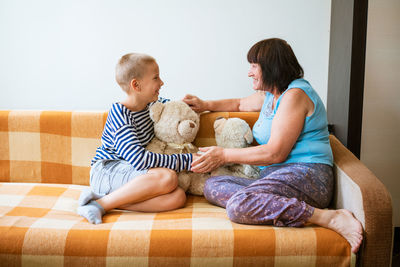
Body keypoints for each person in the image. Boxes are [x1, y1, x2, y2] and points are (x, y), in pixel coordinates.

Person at [182, 38, 363, 253]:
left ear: (271, 67)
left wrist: (223, 155)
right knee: (212, 186)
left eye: (253, 66)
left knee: (239, 206)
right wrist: (204, 104)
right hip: (275, 176)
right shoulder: (270, 95)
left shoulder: (295, 95)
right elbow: (239, 104)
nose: (249, 72)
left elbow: (275, 153)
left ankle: (328, 217)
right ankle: (268, 201)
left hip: (307, 175)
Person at [78, 53, 197, 224]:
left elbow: (174, 110)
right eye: (156, 78)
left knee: (178, 197)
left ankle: (106, 200)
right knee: (168, 177)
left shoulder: (152, 105)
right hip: (106, 171)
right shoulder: (120, 113)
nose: (161, 83)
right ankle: (100, 204)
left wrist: (192, 106)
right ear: (136, 85)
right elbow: (139, 160)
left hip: (129, 174)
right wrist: (187, 160)